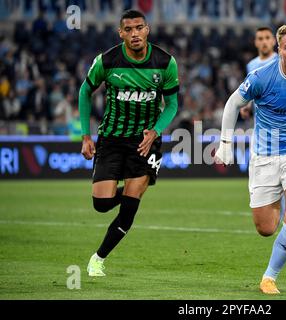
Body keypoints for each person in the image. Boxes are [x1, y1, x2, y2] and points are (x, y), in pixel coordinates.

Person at [215, 23, 286, 294]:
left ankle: (270, 276)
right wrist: (225, 144)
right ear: (279, 50)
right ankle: (283, 205)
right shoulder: (261, 77)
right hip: (265, 156)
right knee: (266, 228)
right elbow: (233, 103)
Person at [78, 9, 179, 276]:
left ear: (147, 30)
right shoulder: (107, 60)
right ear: (120, 33)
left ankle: (98, 258)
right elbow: (85, 91)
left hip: (146, 141)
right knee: (101, 204)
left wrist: (155, 131)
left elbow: (172, 105)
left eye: (139, 28)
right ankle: (135, 190)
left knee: (129, 209)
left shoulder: (165, 62)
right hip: (111, 138)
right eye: (129, 29)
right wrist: (86, 135)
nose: (135, 34)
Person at [239, 27, 277, 121]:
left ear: (274, 41)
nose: (264, 42)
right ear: (255, 42)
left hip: (279, 119)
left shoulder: (281, 61)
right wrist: (246, 105)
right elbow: (250, 89)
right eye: (260, 39)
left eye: (267, 38)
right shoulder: (251, 65)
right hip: (259, 121)